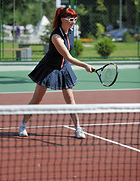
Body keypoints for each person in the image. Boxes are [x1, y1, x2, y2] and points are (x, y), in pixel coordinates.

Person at [19, 7, 94, 139]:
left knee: (70, 100)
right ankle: (23, 125)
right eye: (71, 19)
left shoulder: (70, 32)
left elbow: (67, 59)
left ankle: (78, 128)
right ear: (62, 20)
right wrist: (85, 65)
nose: (73, 22)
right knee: (37, 99)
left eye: (75, 19)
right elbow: (69, 57)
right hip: (48, 68)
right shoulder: (56, 36)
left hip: (64, 68)